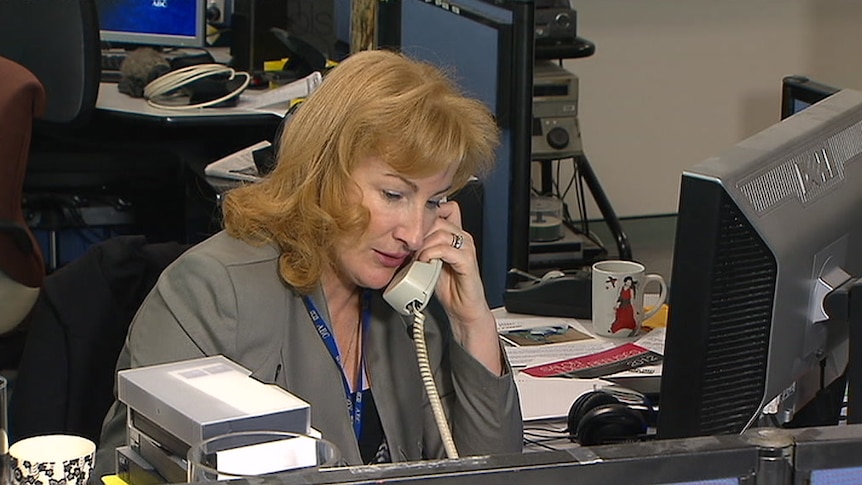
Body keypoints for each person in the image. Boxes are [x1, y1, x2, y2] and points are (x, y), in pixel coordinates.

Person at [94, 49, 523, 474]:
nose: (413, 234)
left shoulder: (415, 304)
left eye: (435, 201)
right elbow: (133, 471)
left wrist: (473, 324)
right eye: (394, 194)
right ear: (323, 173)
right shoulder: (210, 292)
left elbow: (495, 471)